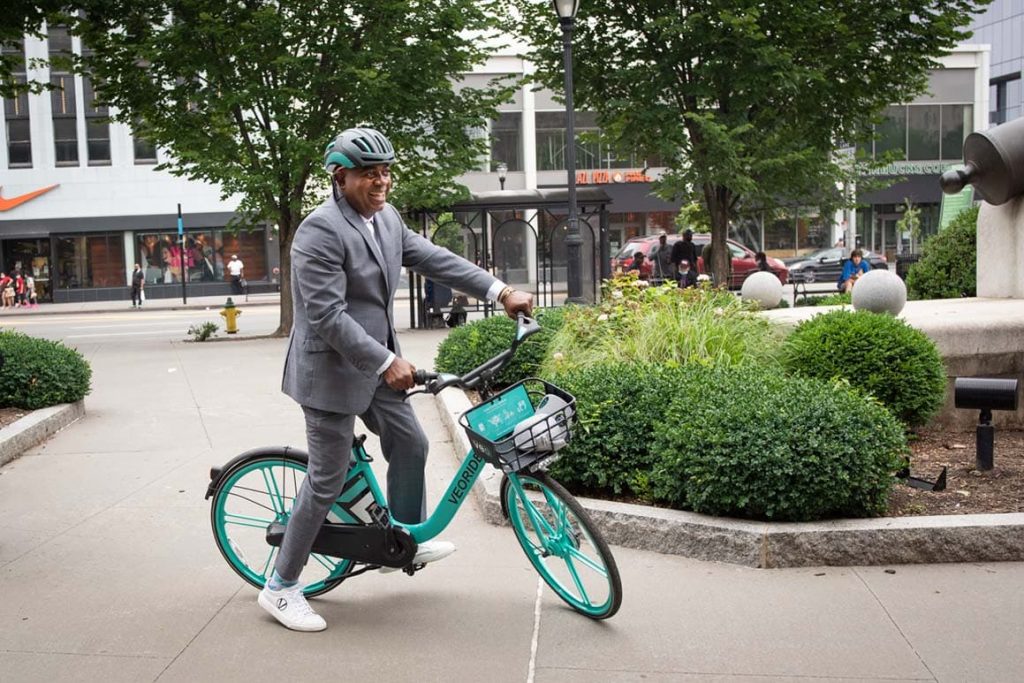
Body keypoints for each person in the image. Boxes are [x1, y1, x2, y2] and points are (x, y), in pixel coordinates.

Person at [262, 127, 533, 632]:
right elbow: (325, 314)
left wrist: (499, 291)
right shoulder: (318, 231)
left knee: (412, 443)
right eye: (370, 173)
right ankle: (280, 587)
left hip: (377, 365)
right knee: (326, 480)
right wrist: (386, 360)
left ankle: (402, 538)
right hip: (331, 373)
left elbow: (434, 259)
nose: (381, 181)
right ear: (340, 177)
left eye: (386, 171)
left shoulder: (386, 219)